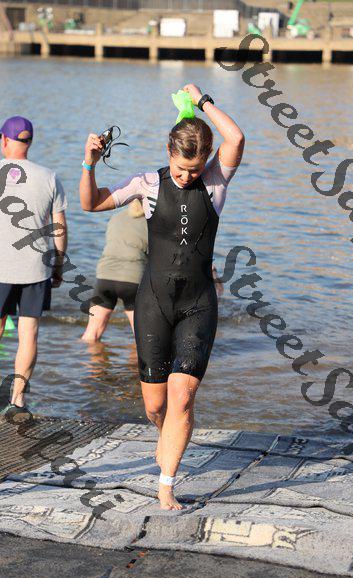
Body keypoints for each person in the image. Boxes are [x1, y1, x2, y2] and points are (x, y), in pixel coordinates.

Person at [79, 84, 244, 510]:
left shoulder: (215, 183)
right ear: (169, 152)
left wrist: (203, 101)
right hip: (153, 304)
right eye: (181, 168)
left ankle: (166, 484)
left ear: (206, 162)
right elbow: (91, 203)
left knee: (182, 397)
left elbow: (236, 137)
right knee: (156, 406)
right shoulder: (147, 183)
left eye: (195, 168)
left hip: (197, 305)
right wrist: (89, 164)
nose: (187, 176)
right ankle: (166, 434)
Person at [0, 116, 68, 415]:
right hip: (36, 268)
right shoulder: (49, 177)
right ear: (29, 141)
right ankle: (17, 400)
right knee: (28, 333)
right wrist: (58, 265)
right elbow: (59, 228)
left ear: (4, 140)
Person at [81, 199, 148, 341]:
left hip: (105, 276)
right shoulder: (151, 222)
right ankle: (135, 357)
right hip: (133, 279)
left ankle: (81, 355)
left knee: (91, 333)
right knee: (141, 337)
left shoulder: (116, 217)